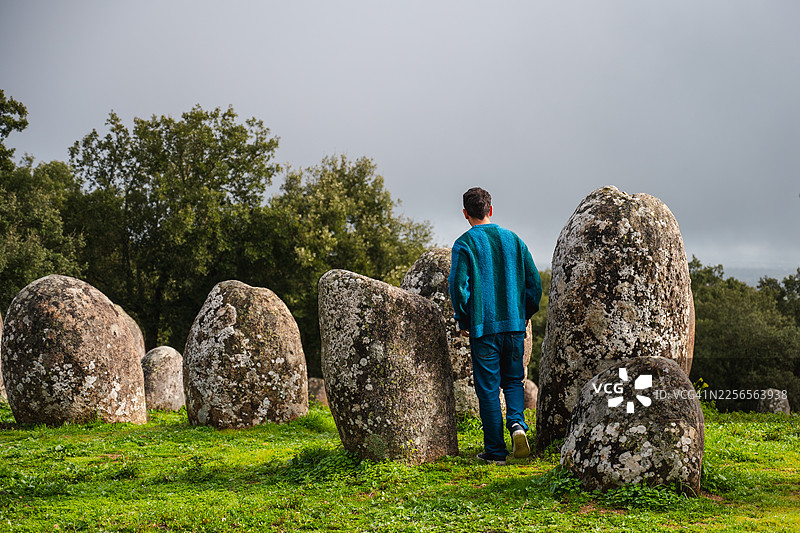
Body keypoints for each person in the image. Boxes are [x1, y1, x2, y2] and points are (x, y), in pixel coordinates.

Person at [448, 187, 542, 465]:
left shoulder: (464, 244)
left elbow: (458, 286)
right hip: (514, 326)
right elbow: (534, 283)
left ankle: (495, 452)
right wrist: (525, 313)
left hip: (483, 327)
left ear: (465, 214)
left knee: (488, 388)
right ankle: (517, 426)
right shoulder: (514, 240)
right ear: (491, 209)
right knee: (513, 380)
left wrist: (463, 319)